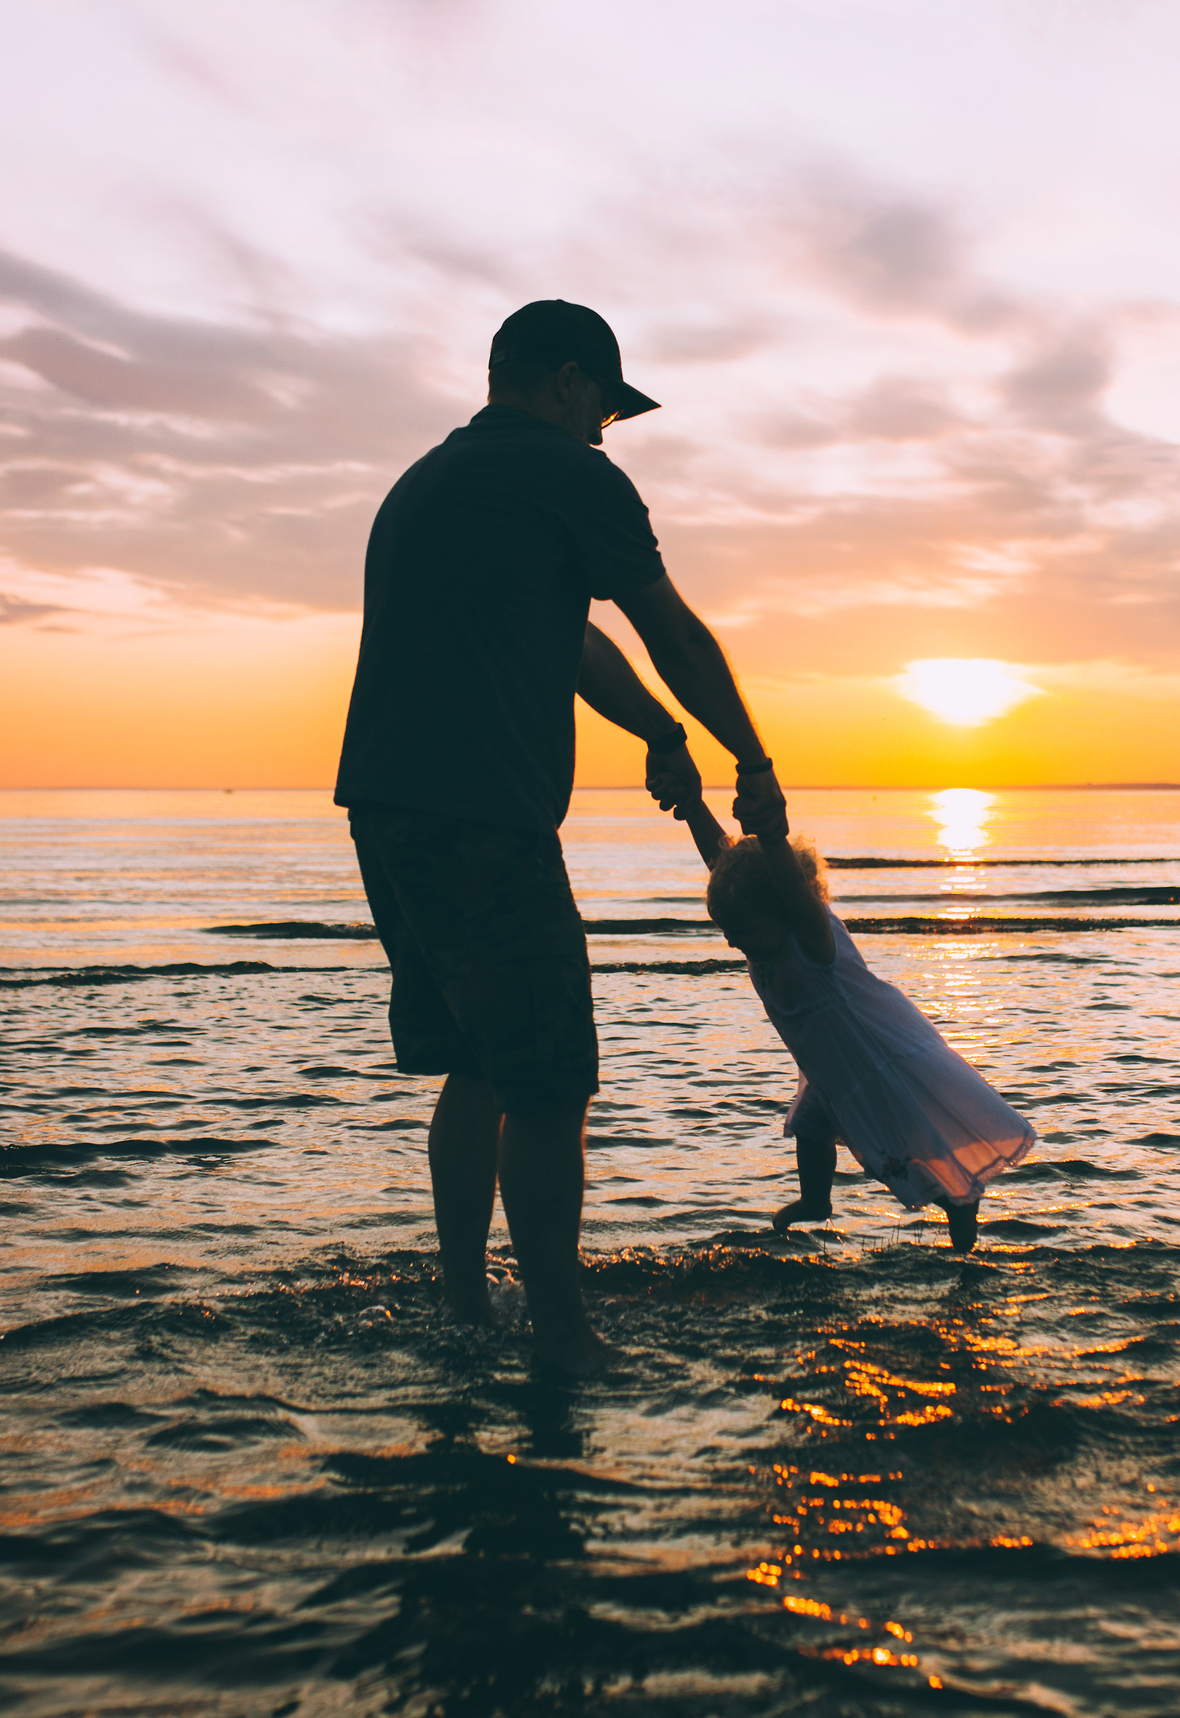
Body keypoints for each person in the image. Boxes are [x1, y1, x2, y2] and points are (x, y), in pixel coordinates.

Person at [334, 300, 784, 1375]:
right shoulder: (570, 473)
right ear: (571, 381)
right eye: (606, 410)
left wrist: (661, 731)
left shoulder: (429, 482)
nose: (606, 432)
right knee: (548, 1080)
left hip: (387, 806)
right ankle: (565, 1339)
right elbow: (665, 627)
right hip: (483, 813)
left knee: (480, 1062)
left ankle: (465, 1308)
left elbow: (568, 636)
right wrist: (751, 758)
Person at [674, 795, 1034, 1252]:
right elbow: (722, 862)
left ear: (783, 909)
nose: (731, 942)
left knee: (918, 1139)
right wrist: (691, 800)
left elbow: (786, 882)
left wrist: (769, 832)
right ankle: (815, 1202)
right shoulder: (759, 932)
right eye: (727, 930)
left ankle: (962, 1215)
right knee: (809, 1127)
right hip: (828, 1069)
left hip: (874, 1059)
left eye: (740, 931)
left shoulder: (811, 940)